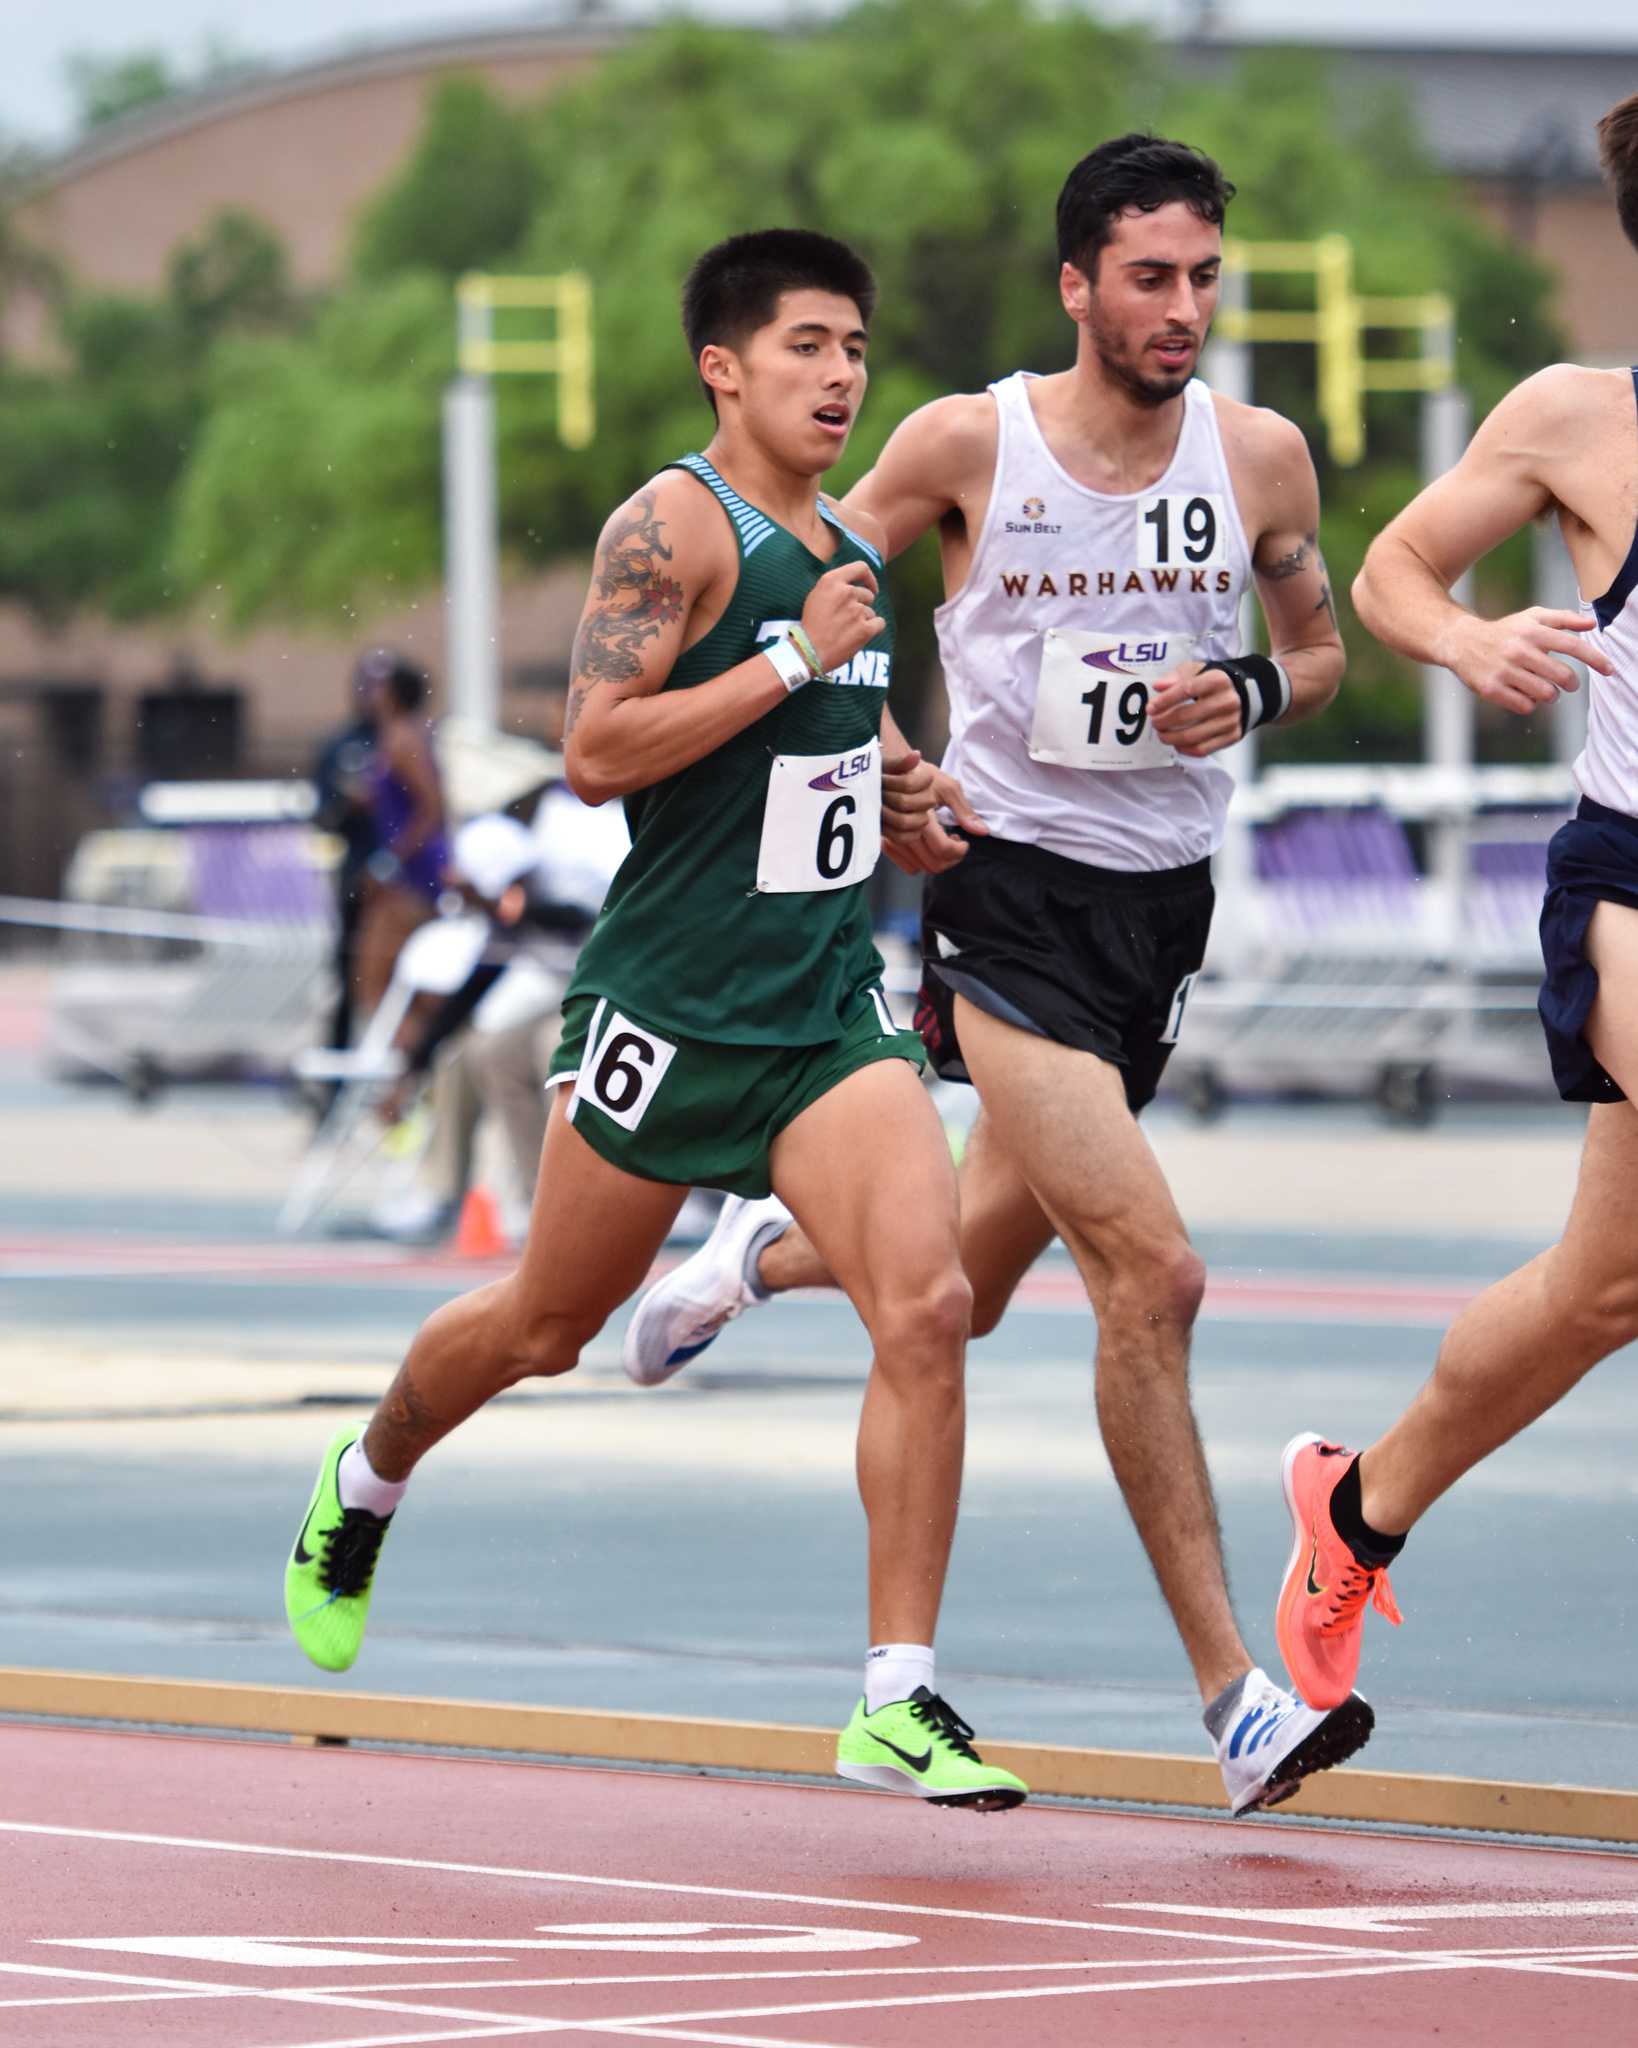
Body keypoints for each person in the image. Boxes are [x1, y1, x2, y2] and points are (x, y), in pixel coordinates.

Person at [626, 136, 1356, 1816]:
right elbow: (814, 588)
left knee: (965, 1269)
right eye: (1149, 277)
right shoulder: (971, 441)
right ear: (1075, 285)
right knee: (1150, 1274)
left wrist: (1244, 691)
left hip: (1157, 915)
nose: (1181, 310)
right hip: (1003, 900)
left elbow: (1315, 650)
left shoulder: (1258, 457)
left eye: (1201, 279)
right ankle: (1236, 1699)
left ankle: (762, 1244)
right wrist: (891, 764)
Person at [284, 227, 1027, 1813]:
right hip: (668, 1008)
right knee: (543, 1327)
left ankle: (898, 1694)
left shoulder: (847, 546)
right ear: (724, 364)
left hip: (825, 1008)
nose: (840, 376)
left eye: (852, 349)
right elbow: (598, 754)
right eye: (807, 347)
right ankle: (365, 1480)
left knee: (927, 1301)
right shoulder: (667, 529)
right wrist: (781, 659)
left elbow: (841, 716)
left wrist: (898, 785)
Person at [1273, 90, 1638, 1714]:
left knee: (1603, 1286)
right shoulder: (1577, 418)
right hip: (1628, 876)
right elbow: (1387, 574)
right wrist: (1474, 639)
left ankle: (1356, 1505)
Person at [370, 793, 629, 1244]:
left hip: (616, 1004)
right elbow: (471, 992)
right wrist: (412, 1067)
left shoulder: (551, 894)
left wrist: (521, 911)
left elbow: (579, 924)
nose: (455, 888)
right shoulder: (502, 909)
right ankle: (509, 1195)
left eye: (466, 882)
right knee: (480, 1050)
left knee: (555, 1053)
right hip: (564, 1003)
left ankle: (586, 1200)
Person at [353, 652, 451, 1019]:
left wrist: (389, 862)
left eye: (379, 685)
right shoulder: (393, 737)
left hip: (413, 876)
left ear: (395, 693)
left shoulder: (403, 738)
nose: (369, 692)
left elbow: (431, 809)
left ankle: (401, 1071)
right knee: (385, 986)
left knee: (381, 985)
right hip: (405, 874)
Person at [309, 654, 385, 1061]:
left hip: (406, 881)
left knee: (399, 979)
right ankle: (339, 1073)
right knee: (350, 976)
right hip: (359, 874)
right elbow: (322, 815)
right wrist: (349, 804)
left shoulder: (409, 738)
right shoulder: (342, 745)